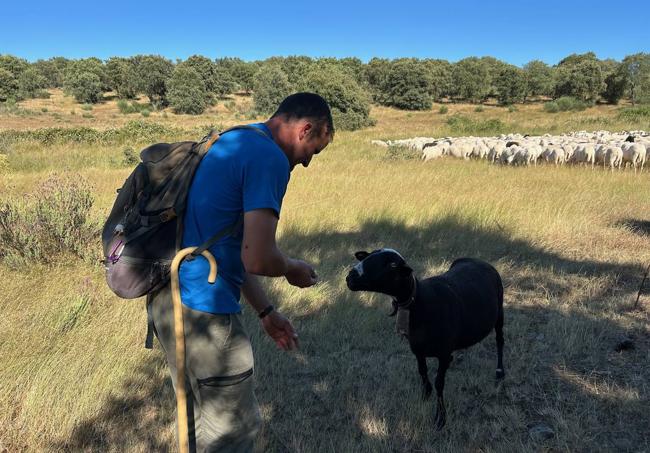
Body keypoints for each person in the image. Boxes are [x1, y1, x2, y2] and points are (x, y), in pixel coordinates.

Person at [149, 92, 334, 452]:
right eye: (314, 151)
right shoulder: (270, 159)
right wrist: (292, 268)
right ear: (306, 129)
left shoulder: (236, 137)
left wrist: (266, 311)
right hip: (204, 311)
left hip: (169, 301)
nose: (308, 163)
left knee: (195, 421)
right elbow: (259, 258)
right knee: (232, 431)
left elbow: (231, 246)